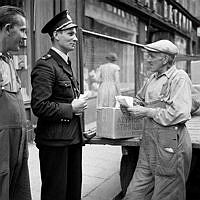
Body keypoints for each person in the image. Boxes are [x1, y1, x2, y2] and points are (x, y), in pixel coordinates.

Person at [122, 40, 192, 200]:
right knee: (134, 194)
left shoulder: (178, 78)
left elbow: (179, 114)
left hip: (170, 145)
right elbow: (140, 99)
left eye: (152, 56)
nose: (147, 59)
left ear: (165, 59)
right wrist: (129, 104)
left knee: (167, 194)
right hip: (149, 145)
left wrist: (146, 111)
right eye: (147, 55)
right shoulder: (152, 78)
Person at [31, 10, 88, 200]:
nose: (75, 39)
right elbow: (39, 106)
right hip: (54, 143)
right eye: (70, 33)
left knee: (72, 193)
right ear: (56, 35)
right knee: (55, 194)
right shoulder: (45, 65)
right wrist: (71, 108)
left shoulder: (64, 62)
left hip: (71, 139)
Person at [0, 5, 32, 200]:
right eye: (22, 30)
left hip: (17, 147)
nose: (25, 37)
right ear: (8, 28)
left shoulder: (8, 60)